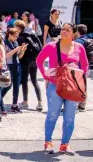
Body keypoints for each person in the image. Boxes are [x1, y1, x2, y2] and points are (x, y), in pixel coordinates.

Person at [36, 23, 89, 154]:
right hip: (55, 86)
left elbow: (85, 65)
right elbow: (39, 60)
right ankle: (48, 142)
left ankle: (65, 144)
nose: (63, 31)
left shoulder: (79, 47)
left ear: (74, 33)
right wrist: (46, 76)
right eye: (63, 29)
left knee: (70, 117)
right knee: (52, 115)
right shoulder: (51, 46)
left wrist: (80, 77)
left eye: (67, 30)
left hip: (73, 88)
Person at [14, 20, 44, 111]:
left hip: (25, 61)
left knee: (24, 81)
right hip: (34, 61)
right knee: (34, 81)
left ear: (19, 28)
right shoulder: (32, 34)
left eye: (15, 26)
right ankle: (39, 102)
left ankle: (25, 101)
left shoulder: (20, 37)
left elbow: (19, 53)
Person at [0, 28, 26, 115]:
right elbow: (5, 56)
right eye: (14, 36)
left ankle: (14, 104)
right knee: (8, 85)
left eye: (17, 36)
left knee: (17, 86)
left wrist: (22, 50)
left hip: (17, 64)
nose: (16, 38)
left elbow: (20, 57)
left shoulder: (15, 42)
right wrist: (16, 49)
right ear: (9, 35)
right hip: (9, 65)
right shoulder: (4, 43)